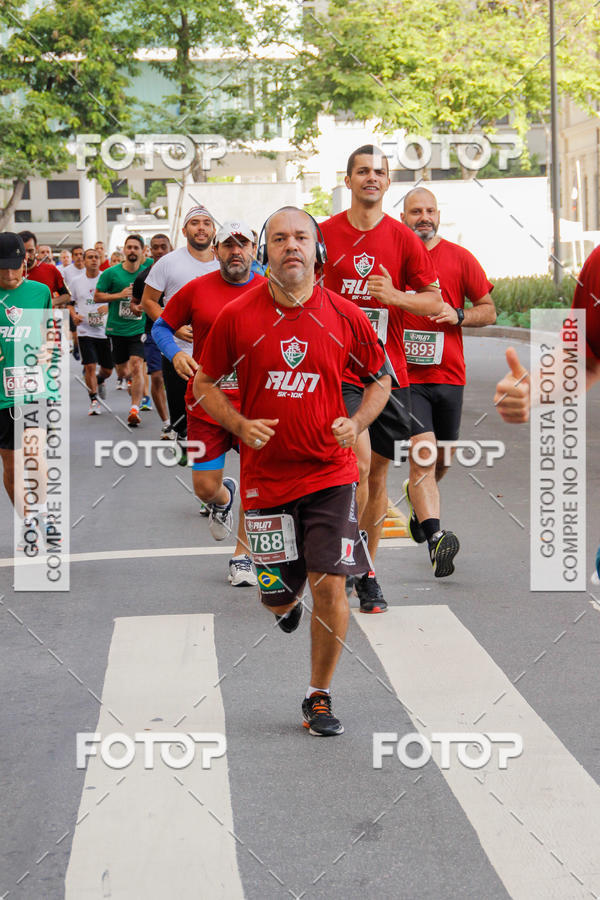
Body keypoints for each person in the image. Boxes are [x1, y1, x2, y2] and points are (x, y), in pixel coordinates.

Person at [194, 207, 391, 736]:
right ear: (266, 252)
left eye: (301, 237)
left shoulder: (345, 315)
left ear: (317, 249)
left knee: (332, 585)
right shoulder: (237, 315)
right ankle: (285, 602)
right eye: (279, 239)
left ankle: (318, 696)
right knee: (276, 595)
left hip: (330, 473)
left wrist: (357, 422)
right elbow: (204, 384)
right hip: (265, 482)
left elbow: (380, 380)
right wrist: (238, 422)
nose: (291, 246)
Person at [320, 145, 443, 610]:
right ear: (348, 180)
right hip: (336, 371)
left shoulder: (403, 238)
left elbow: (435, 302)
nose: (371, 178)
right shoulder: (325, 234)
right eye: (362, 171)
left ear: (388, 183)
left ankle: (366, 566)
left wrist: (394, 295)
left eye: (380, 172)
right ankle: (353, 560)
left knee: (377, 481)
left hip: (387, 374)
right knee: (362, 463)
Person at [152, 221, 265, 587]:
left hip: (254, 403)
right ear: (215, 250)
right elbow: (160, 327)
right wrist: (174, 354)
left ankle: (243, 556)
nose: (236, 251)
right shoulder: (196, 290)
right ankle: (222, 496)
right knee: (204, 487)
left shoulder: (270, 289)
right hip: (205, 402)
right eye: (228, 245)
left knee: (255, 482)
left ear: (253, 250)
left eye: (242, 244)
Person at [400, 187, 496, 576]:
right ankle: (437, 539)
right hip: (405, 378)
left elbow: (488, 311)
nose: (423, 217)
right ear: (403, 217)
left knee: (441, 460)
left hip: (449, 376)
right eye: (415, 211)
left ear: (438, 215)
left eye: (429, 211)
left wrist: (458, 315)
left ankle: (415, 499)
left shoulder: (459, 258)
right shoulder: (393, 258)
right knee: (423, 454)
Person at [142, 206, 219, 450]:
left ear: (213, 230)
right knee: (182, 420)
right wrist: (173, 326)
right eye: (195, 223)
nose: (201, 228)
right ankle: (185, 437)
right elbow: (148, 302)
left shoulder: (224, 262)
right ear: (185, 230)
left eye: (207, 223)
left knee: (218, 412)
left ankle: (214, 455)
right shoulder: (167, 263)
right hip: (178, 351)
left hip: (217, 352)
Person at [0, 233, 57, 547]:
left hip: (33, 385)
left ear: (25, 262)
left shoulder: (40, 292)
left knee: (34, 453)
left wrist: (48, 347)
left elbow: (48, 331)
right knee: (11, 462)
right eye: (2, 268)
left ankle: (43, 514)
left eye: (14, 267)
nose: (9, 275)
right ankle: (27, 519)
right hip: (0, 392)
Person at [94, 234, 151, 425]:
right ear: (124, 250)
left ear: (143, 251)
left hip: (138, 328)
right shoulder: (111, 273)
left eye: (136, 248)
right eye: (129, 247)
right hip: (116, 328)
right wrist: (119, 295)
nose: (132, 251)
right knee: (122, 371)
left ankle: (135, 409)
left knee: (137, 365)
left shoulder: (147, 273)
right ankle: (127, 380)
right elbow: (97, 297)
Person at [130, 234, 172, 437]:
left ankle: (185, 418)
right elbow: (134, 301)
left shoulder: (182, 272)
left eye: (163, 247)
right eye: (155, 247)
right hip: (154, 331)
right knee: (157, 377)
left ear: (170, 247)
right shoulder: (143, 277)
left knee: (185, 379)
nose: (159, 251)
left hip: (182, 332)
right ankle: (166, 423)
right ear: (150, 250)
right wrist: (137, 308)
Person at [69, 248, 113, 415]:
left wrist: (107, 306)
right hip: (84, 330)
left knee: (108, 369)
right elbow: (70, 303)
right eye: (90, 257)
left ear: (100, 260)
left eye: (96, 257)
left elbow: (117, 298)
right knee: (89, 366)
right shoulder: (76, 281)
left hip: (104, 330)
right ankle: (94, 400)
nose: (94, 260)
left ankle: (100, 380)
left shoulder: (106, 278)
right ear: (84, 261)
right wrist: (74, 315)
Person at [18, 230, 70, 306]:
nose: (27, 255)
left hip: (45, 317)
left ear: (36, 248)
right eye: (23, 251)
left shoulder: (51, 269)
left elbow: (66, 296)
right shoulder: (9, 272)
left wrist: (49, 302)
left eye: (30, 251)